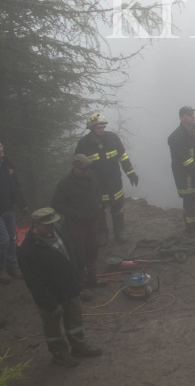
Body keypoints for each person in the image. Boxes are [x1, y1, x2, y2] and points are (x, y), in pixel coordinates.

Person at [17, 208, 102, 368]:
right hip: (51, 296)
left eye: (53, 223)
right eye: (48, 225)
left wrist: (81, 265)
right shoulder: (28, 250)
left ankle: (79, 347)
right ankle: (59, 354)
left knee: (75, 321)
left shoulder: (59, 229)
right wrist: (51, 305)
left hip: (70, 288)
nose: (53, 227)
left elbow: (72, 248)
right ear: (36, 225)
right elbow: (34, 284)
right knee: (52, 327)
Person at [74, 113, 139, 245]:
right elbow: (78, 165)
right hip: (96, 183)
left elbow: (123, 157)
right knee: (99, 209)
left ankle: (120, 231)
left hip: (114, 180)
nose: (102, 130)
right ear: (91, 127)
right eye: (99, 127)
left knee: (117, 206)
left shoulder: (112, 138)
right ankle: (102, 233)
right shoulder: (84, 143)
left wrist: (131, 173)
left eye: (103, 127)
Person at [52, 155, 107, 291]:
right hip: (75, 224)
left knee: (92, 249)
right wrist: (76, 215)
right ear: (76, 168)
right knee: (78, 253)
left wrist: (99, 203)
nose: (87, 170)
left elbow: (99, 187)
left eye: (88, 166)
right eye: (84, 168)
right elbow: (56, 204)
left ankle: (92, 278)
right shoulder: (65, 183)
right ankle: (80, 285)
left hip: (92, 220)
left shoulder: (92, 175)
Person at [167, 106, 195, 238]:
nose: (193, 116)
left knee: (194, 199)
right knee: (189, 201)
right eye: (189, 114)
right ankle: (191, 231)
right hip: (184, 175)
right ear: (182, 117)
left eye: (193, 113)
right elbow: (185, 160)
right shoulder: (175, 137)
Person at [0, 138, 28, 284]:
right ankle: (1, 269)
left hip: (8, 208)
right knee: (3, 240)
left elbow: (15, 184)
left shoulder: (7, 163)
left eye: (1, 147)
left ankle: (12, 266)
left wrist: (22, 203)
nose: (1, 150)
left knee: (11, 238)